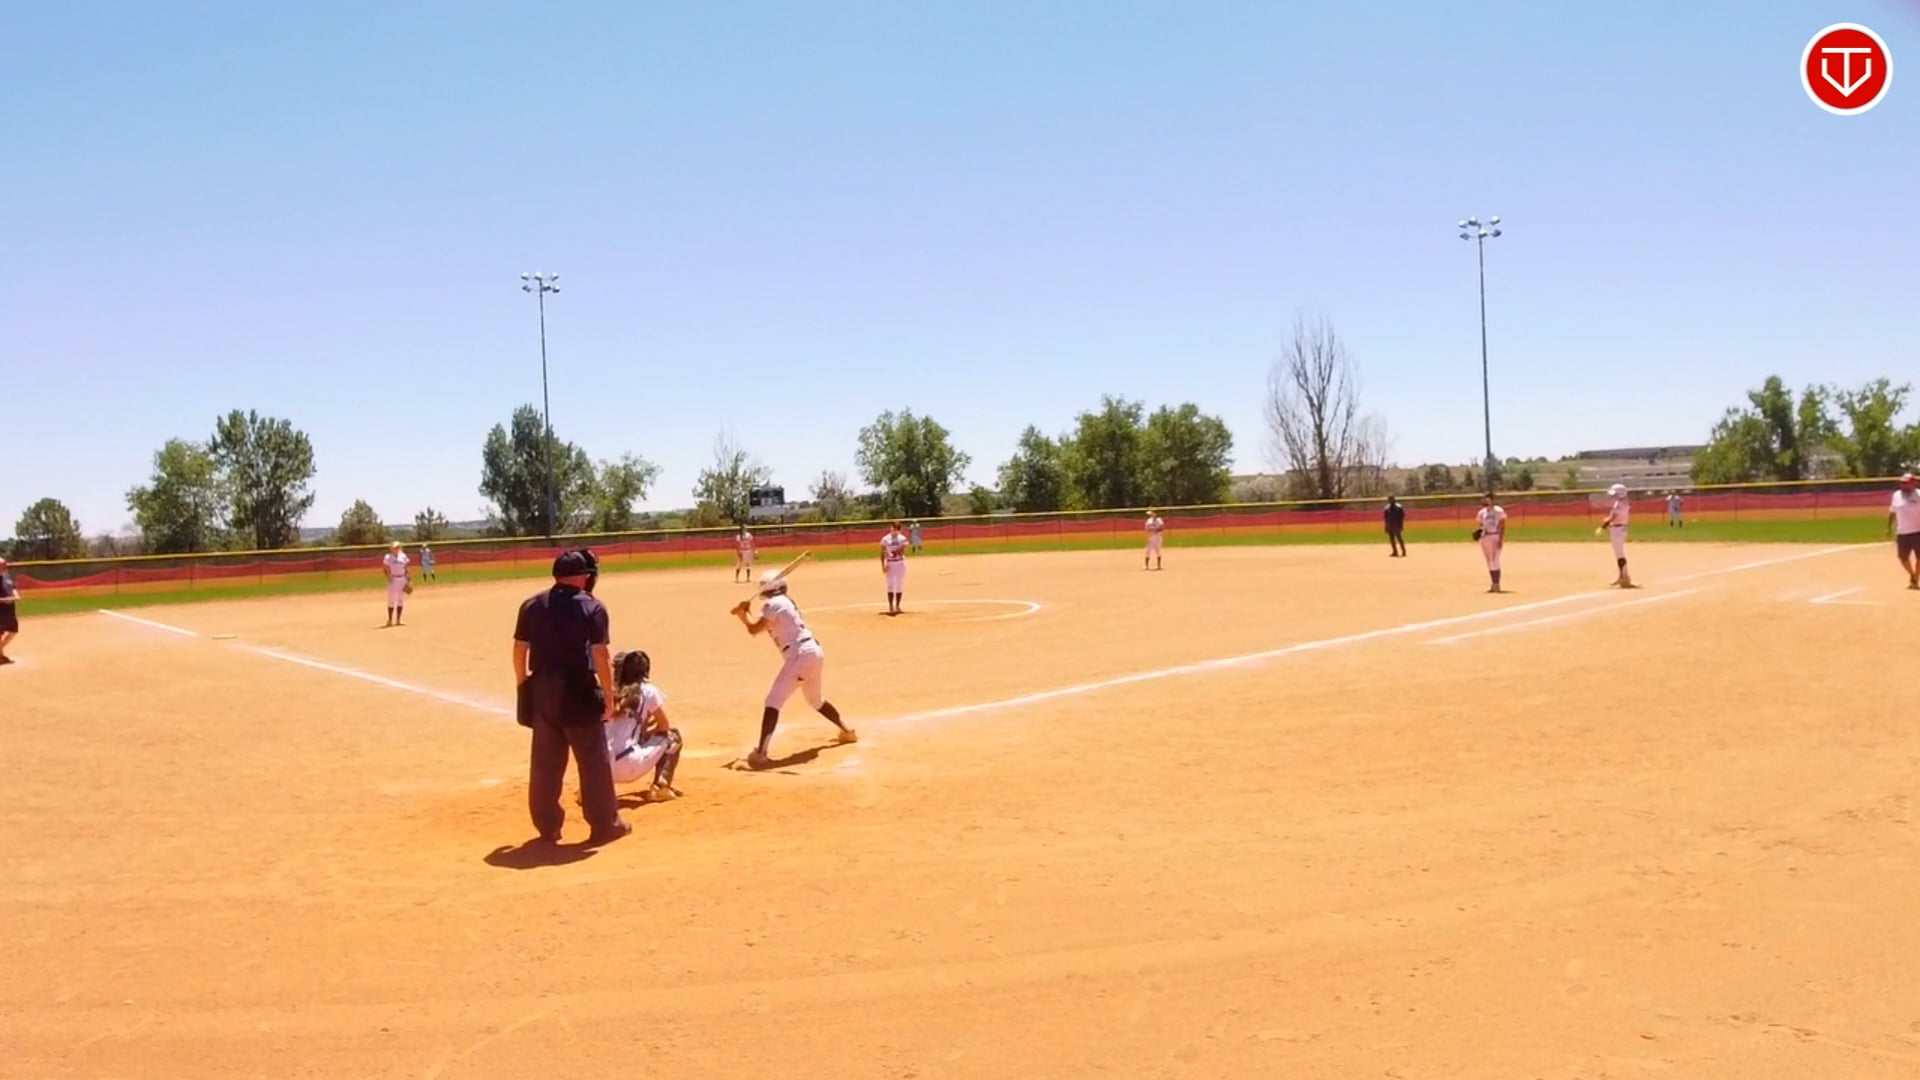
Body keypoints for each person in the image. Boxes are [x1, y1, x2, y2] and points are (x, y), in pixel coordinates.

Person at [512, 549, 629, 845]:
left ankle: (547, 827)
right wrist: (609, 694)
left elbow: (519, 649)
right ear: (583, 577)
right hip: (577, 688)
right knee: (592, 761)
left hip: (542, 688)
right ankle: (605, 825)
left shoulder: (532, 604)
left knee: (545, 763)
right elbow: (600, 654)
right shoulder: (592, 607)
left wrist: (523, 685)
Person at [731, 571, 856, 769]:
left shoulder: (773, 604)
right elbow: (761, 625)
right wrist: (746, 614)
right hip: (812, 652)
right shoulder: (783, 602)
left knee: (773, 702)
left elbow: (754, 629)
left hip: (800, 655)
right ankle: (848, 731)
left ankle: (761, 753)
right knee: (815, 700)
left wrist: (742, 615)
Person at [606, 649, 683, 802]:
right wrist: (646, 734)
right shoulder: (648, 691)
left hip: (600, 768)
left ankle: (590, 788)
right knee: (673, 736)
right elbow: (664, 726)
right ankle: (660, 788)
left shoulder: (608, 691)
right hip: (629, 766)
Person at [1599, 483, 1634, 588]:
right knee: (1618, 554)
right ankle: (1622, 576)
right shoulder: (1620, 503)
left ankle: (1625, 578)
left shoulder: (1621, 504)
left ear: (1621, 493)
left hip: (1618, 529)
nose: (1613, 496)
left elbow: (1614, 517)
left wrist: (1603, 526)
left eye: (1615, 494)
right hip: (1617, 529)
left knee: (1619, 554)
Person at [1890, 472, 1920, 590]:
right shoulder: (1896, 495)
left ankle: (1916, 577)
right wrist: (1889, 527)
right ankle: (1912, 575)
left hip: (1918, 531)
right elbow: (1893, 511)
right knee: (1903, 558)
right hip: (1902, 532)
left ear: (1914, 483)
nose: (1903, 485)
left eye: (1906, 483)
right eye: (1902, 483)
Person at [1474, 494, 1507, 593]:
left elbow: (1503, 526)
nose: (1486, 502)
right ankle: (1493, 584)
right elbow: (1481, 525)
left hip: (1495, 536)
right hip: (1485, 538)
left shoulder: (1499, 511)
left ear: (1492, 500)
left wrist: (1501, 539)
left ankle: (1497, 584)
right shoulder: (1481, 513)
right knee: (1489, 561)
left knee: (1495, 560)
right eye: (1484, 500)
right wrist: (1479, 532)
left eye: (1488, 500)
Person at [880, 520, 909, 615]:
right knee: (890, 585)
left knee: (899, 585)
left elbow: (903, 550)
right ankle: (891, 606)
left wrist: (897, 552)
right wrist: (883, 565)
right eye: (893, 528)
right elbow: (882, 552)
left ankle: (898, 606)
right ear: (891, 528)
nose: (895, 531)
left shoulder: (902, 538)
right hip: (890, 563)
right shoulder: (885, 539)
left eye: (897, 529)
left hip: (900, 563)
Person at [382, 541, 411, 627]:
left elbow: (406, 568)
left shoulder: (403, 556)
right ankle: (390, 620)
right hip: (393, 579)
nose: (397, 548)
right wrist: (388, 576)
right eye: (395, 547)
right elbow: (385, 568)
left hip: (402, 578)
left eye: (398, 547)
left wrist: (409, 579)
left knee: (400, 600)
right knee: (391, 600)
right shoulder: (388, 557)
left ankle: (399, 620)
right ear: (391, 548)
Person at [0, 557, 18, 665]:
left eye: (3, 565)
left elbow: (13, 588)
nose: (3, 566)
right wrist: (4, 600)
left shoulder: (7, 577)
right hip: (0, 610)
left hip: (10, 609)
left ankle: (0, 650)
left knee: (13, 631)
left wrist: (16, 595)